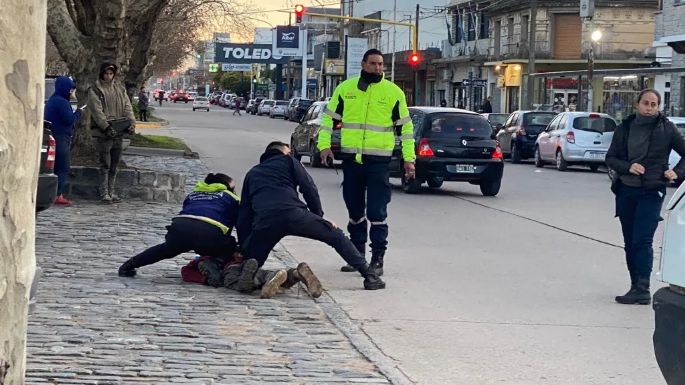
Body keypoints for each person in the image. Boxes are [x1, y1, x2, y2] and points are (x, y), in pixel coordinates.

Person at [317, 48, 416, 275]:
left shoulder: (393, 93)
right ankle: (357, 255)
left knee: (376, 212)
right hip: (352, 161)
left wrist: (409, 159)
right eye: (373, 64)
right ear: (363, 65)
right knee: (354, 209)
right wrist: (324, 146)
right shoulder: (345, 89)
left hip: (379, 162)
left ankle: (377, 259)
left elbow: (406, 129)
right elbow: (327, 120)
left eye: (381, 64)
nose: (378, 68)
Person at [237, 141, 385, 290]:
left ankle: (250, 275)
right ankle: (371, 277)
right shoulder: (289, 161)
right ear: (284, 153)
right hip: (294, 214)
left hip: (265, 222)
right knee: (336, 236)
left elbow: (244, 214)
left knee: (252, 261)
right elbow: (309, 188)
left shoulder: (252, 173)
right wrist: (319, 218)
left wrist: (245, 246)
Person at [606, 89, 685, 305]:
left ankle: (643, 288)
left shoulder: (666, 128)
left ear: (658, 107)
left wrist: (676, 172)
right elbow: (611, 158)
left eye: (654, 104)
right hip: (626, 191)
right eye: (646, 103)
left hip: (652, 191)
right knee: (630, 242)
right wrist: (628, 166)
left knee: (642, 240)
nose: (649, 108)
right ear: (638, 104)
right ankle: (634, 286)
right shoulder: (625, 127)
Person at [118, 173, 244, 288]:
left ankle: (129, 265)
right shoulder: (232, 198)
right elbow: (239, 224)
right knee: (230, 244)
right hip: (208, 233)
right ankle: (214, 264)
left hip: (180, 228)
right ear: (226, 187)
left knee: (165, 250)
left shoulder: (193, 195)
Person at [88, 62, 136, 204]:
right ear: (101, 74)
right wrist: (106, 126)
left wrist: (131, 122)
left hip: (119, 129)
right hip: (104, 132)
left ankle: (111, 190)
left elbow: (127, 106)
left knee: (115, 163)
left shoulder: (119, 88)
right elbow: (97, 111)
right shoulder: (95, 90)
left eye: (111, 73)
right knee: (105, 163)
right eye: (106, 73)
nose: (108, 76)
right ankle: (104, 192)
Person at [44, 76, 83, 206]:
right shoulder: (62, 102)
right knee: (63, 167)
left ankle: (52, 193)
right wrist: (78, 112)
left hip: (53, 135)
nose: (72, 92)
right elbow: (69, 120)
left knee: (54, 167)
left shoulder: (53, 100)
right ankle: (58, 194)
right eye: (71, 90)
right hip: (61, 137)